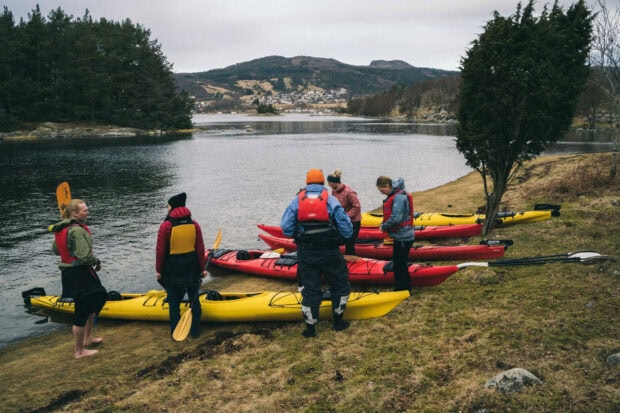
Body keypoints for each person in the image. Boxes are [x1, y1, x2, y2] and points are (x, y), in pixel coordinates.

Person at [281, 169, 353, 338]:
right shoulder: (332, 200)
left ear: (307, 183)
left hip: (307, 253)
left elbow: (286, 228)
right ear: (322, 183)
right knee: (339, 285)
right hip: (330, 252)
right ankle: (338, 322)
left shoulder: (296, 201)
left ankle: (310, 329)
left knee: (310, 289)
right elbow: (347, 230)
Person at [50, 199, 108, 358]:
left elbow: (55, 250)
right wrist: (96, 261)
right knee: (82, 309)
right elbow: (84, 255)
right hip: (80, 273)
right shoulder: (77, 230)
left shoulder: (61, 229)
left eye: (87, 209)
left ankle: (88, 339)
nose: (87, 212)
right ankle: (79, 351)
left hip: (69, 274)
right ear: (74, 213)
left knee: (96, 298)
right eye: (84, 210)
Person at [156, 192, 208, 339]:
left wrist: (159, 271)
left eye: (168, 206)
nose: (167, 209)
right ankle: (195, 331)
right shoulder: (194, 224)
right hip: (192, 268)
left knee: (174, 302)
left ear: (173, 207)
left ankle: (175, 332)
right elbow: (200, 249)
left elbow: (160, 252)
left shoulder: (166, 226)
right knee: (194, 299)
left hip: (173, 269)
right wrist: (202, 268)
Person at [376, 176, 415, 292]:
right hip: (402, 235)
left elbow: (396, 218)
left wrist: (384, 226)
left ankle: (402, 290)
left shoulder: (398, 197)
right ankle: (403, 288)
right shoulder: (399, 194)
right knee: (399, 263)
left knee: (399, 265)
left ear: (387, 186)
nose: (382, 193)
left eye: (382, 190)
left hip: (403, 236)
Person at [327, 169, 362, 255]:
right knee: (335, 240)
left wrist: (346, 216)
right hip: (341, 221)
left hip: (353, 221)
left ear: (336, 182)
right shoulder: (334, 191)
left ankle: (350, 262)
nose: (329, 185)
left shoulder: (349, 192)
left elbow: (357, 206)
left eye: (330, 183)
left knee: (350, 243)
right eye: (328, 182)